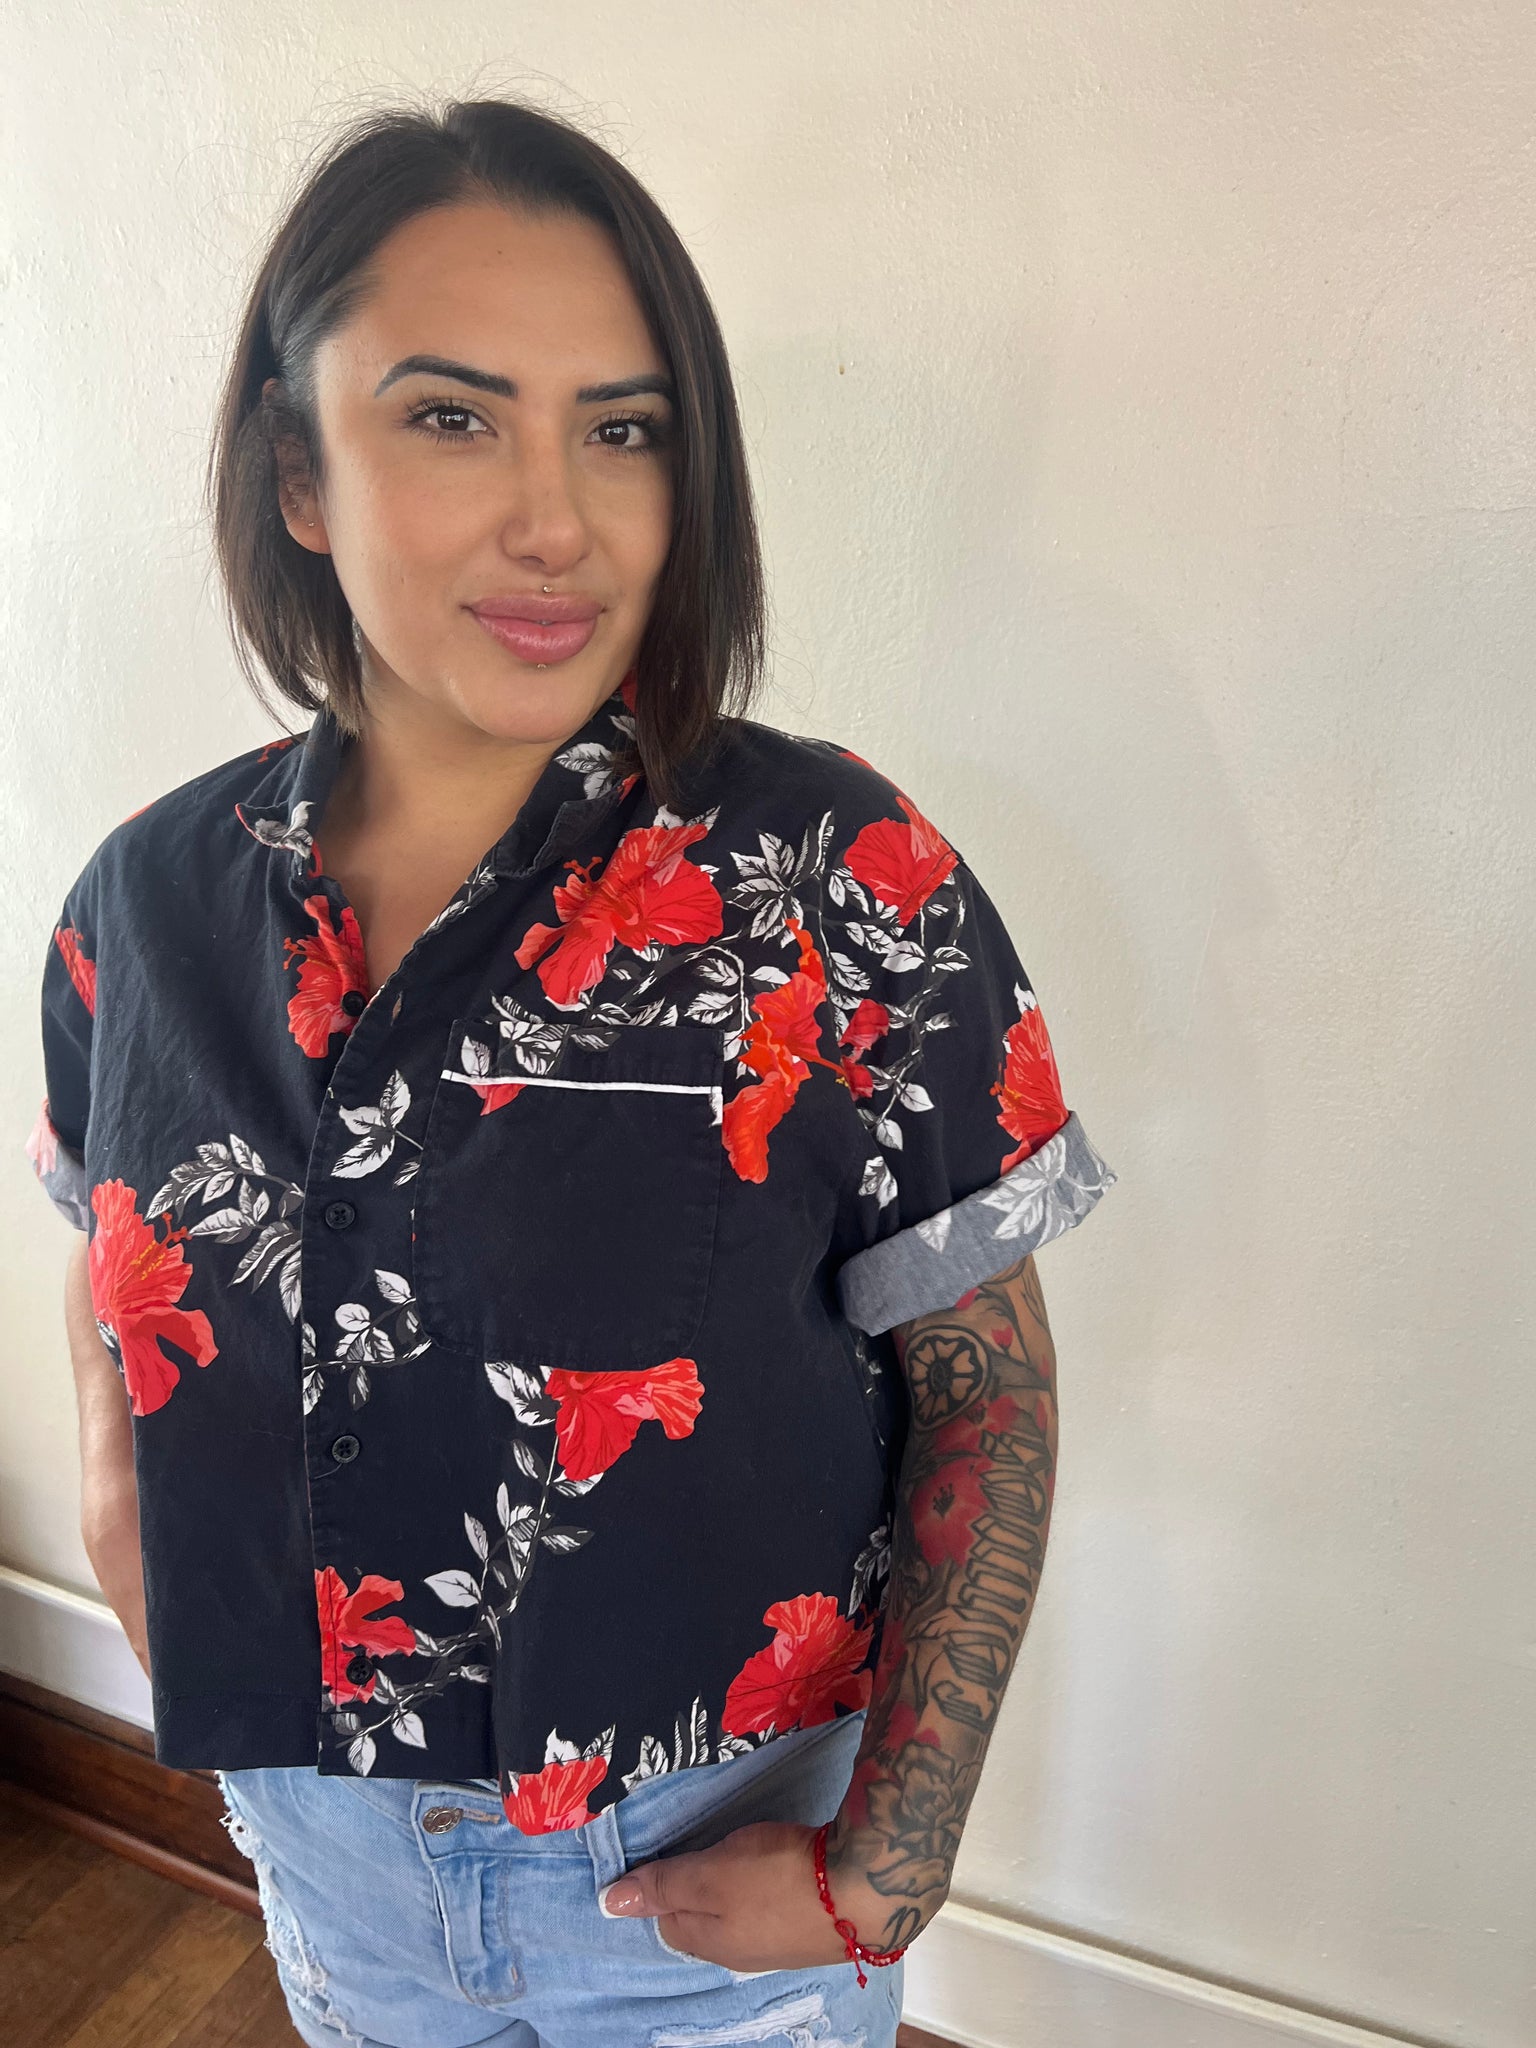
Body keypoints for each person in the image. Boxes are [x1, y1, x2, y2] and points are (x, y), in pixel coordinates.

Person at [25, 96, 1117, 2048]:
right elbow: (114, 1301)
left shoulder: (833, 880)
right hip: (324, 1852)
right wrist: (143, 1561)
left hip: (710, 1870)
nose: (559, 519)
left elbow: (989, 1390)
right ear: (297, 472)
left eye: (624, 431)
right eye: (453, 417)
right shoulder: (143, 904)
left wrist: (892, 1865)